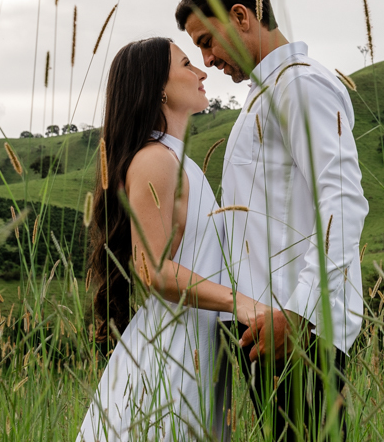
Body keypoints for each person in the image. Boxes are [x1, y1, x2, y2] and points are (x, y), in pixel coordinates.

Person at [175, 0, 369, 441]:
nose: (207, 58)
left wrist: (301, 312)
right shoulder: (266, 93)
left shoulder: (301, 85)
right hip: (267, 324)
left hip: (297, 327)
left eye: (206, 40)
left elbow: (342, 200)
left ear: (241, 16)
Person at [77, 37, 268, 441]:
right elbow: (153, 269)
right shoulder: (155, 160)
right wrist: (243, 303)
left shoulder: (178, 161)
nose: (201, 71)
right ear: (159, 88)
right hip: (170, 354)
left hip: (197, 348)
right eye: (186, 64)